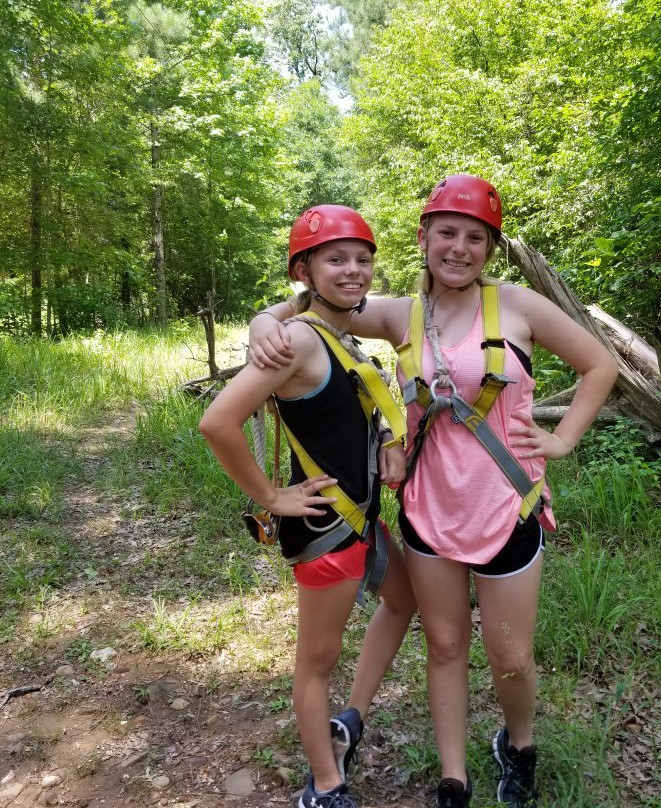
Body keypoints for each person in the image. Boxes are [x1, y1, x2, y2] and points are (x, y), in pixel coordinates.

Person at [248, 176, 618, 808]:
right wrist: (264, 316)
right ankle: (455, 779)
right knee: (445, 644)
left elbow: (600, 364)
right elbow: (319, 302)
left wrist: (563, 439)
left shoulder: (519, 307)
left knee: (511, 657)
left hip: (505, 505)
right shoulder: (401, 314)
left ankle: (518, 745)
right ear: (423, 238)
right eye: (446, 232)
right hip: (427, 509)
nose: (459, 248)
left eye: (475, 237)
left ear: (490, 249)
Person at [200, 204, 416, 808]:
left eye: (363, 259)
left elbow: (347, 414)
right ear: (305, 269)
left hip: (361, 520)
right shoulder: (296, 340)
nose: (353, 270)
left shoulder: (336, 330)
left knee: (405, 601)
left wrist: (388, 442)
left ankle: (351, 718)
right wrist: (270, 496)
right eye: (336, 259)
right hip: (326, 530)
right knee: (315, 664)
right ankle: (326, 785)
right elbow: (217, 422)